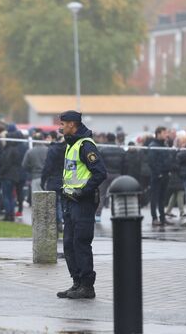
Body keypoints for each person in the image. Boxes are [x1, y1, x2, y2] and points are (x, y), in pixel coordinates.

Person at [56, 110, 107, 300]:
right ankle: (77, 282)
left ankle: (87, 286)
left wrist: (83, 191)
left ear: (72, 124)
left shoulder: (85, 145)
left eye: (63, 124)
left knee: (81, 243)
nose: (60, 127)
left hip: (83, 202)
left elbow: (100, 172)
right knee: (69, 244)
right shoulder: (71, 144)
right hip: (70, 201)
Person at [96, 133, 125, 222]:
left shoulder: (102, 150)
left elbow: (98, 163)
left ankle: (98, 216)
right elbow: (124, 164)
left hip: (105, 174)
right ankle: (116, 213)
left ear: (106, 139)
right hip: (117, 175)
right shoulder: (121, 150)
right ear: (115, 139)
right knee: (117, 195)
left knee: (101, 195)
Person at [147, 126, 173, 227]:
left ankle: (162, 218)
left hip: (165, 174)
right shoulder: (153, 145)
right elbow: (152, 162)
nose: (167, 134)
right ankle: (154, 218)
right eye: (164, 132)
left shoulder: (164, 145)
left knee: (162, 198)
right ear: (158, 133)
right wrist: (159, 173)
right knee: (155, 198)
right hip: (157, 176)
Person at [41, 131, 65, 232]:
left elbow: (47, 167)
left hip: (53, 179)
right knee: (65, 204)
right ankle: (64, 223)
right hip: (66, 179)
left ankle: (55, 224)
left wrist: (43, 180)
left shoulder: (52, 149)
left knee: (52, 204)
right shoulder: (70, 149)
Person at [0, 132, 21, 221]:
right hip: (14, 176)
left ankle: (8, 214)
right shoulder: (16, 150)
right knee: (11, 196)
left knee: (6, 196)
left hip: (7, 176)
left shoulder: (8, 150)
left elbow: (6, 164)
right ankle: (11, 213)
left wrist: (1, 173)